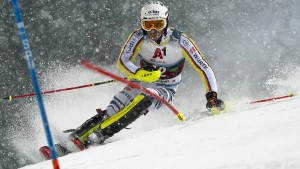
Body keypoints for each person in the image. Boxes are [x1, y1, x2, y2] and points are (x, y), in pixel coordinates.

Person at [39, 1, 225, 159]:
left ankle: (98, 136)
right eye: (148, 24)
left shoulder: (181, 41)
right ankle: (67, 144)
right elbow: (123, 61)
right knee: (113, 109)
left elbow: (204, 67)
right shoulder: (138, 37)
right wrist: (141, 73)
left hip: (165, 88)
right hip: (139, 81)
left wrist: (212, 95)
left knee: (146, 98)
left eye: (158, 24)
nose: (153, 30)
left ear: (166, 22)